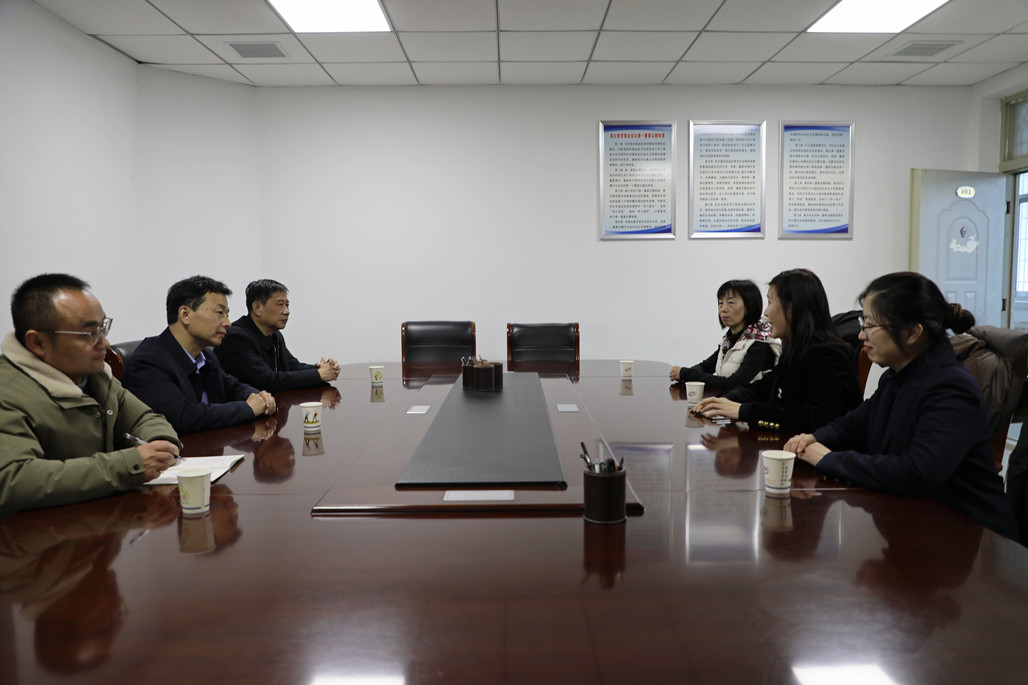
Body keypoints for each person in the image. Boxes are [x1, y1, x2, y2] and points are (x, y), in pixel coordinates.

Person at [784, 272, 1018, 539]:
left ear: (911, 333)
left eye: (869, 325)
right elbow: (855, 423)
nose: (860, 335)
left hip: (969, 535)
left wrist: (826, 459)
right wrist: (813, 439)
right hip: (920, 525)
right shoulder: (897, 376)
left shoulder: (951, 387)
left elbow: (916, 472)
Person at [0, 274, 181, 517]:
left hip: (102, 520)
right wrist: (128, 465)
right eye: (89, 334)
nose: (104, 343)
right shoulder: (8, 392)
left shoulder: (95, 377)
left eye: (102, 328)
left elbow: (143, 418)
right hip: (42, 532)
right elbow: (14, 480)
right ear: (38, 342)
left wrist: (160, 443)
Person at [694, 268, 862, 433]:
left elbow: (813, 420)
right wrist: (726, 400)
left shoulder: (827, 357)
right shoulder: (795, 348)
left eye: (770, 303)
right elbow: (766, 386)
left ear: (791, 309)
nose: (766, 312)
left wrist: (743, 411)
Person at [122, 275, 276, 435]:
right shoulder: (149, 361)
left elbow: (233, 387)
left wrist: (259, 397)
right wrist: (248, 408)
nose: (227, 323)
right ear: (185, 314)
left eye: (227, 314)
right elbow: (183, 417)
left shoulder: (205, 356)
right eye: (220, 313)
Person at [215, 279, 339, 392]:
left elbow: (292, 366)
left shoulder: (275, 334)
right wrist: (318, 375)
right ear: (257, 308)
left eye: (287, 305)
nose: (287, 311)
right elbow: (268, 381)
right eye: (280, 304)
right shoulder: (235, 338)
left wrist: (321, 369)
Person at [669, 279, 781, 390]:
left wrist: (686, 373)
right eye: (720, 303)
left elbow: (733, 383)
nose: (723, 309)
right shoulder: (729, 340)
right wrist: (686, 374)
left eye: (730, 303)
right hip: (727, 399)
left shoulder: (759, 342)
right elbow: (706, 366)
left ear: (748, 307)